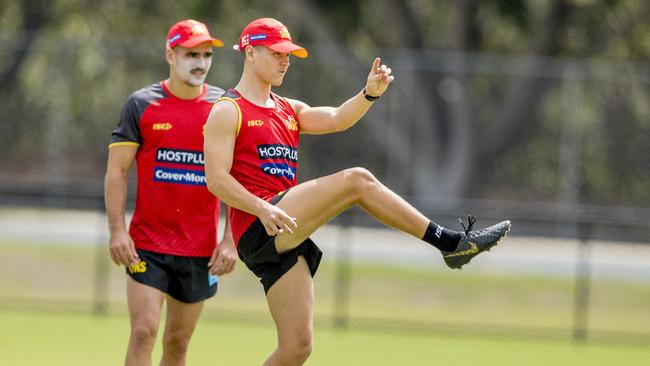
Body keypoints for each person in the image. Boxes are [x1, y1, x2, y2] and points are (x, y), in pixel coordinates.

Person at [203, 17, 511, 366]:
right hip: (260, 225)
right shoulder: (228, 110)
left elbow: (336, 118)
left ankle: (453, 247)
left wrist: (369, 94)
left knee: (297, 348)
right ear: (250, 52)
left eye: (288, 54)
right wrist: (261, 208)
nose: (285, 60)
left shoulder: (289, 109)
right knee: (357, 181)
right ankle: (451, 244)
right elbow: (216, 179)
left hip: (283, 229)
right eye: (277, 53)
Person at [104, 19, 237, 366]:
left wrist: (230, 240)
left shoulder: (224, 107)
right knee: (143, 331)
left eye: (206, 55)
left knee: (177, 343)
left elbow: (238, 179)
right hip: (147, 244)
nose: (201, 62)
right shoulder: (141, 104)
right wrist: (117, 231)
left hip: (200, 250)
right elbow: (116, 171)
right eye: (191, 53)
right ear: (170, 54)